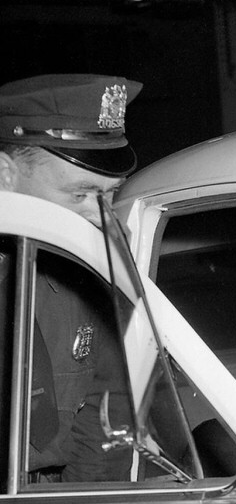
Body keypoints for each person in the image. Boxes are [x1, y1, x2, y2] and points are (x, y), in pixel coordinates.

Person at [0, 73, 142, 481]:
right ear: (5, 175)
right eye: (79, 194)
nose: (101, 217)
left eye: (110, 194)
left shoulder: (89, 268)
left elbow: (105, 420)